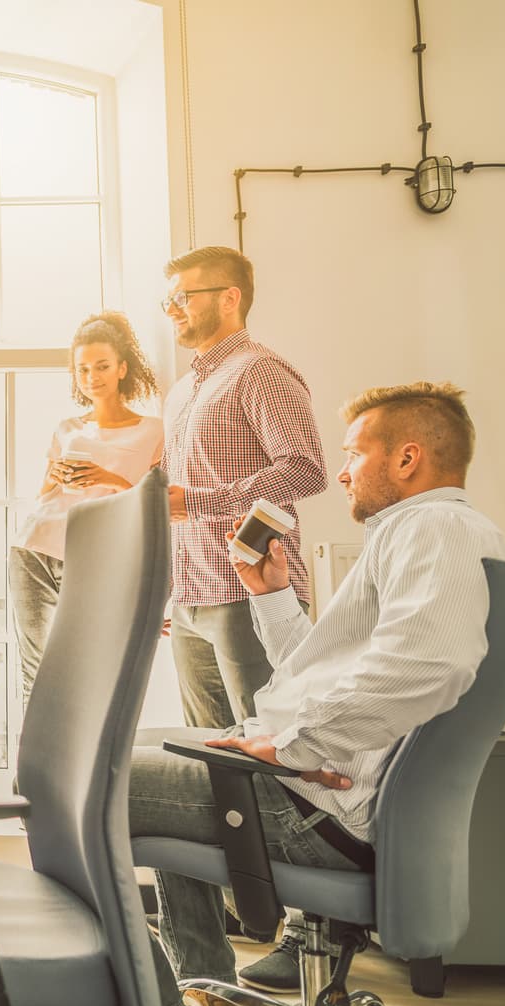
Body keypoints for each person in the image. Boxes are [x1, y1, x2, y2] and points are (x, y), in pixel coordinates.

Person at [132, 382, 505, 1006]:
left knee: (97, 784)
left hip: (315, 808)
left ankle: (158, 993)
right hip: (317, 789)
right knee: (153, 743)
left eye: (355, 453)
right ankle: (202, 985)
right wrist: (272, 593)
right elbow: (323, 675)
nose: (339, 472)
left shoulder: (435, 527)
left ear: (406, 458)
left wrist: (293, 745)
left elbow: (430, 664)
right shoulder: (420, 531)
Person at [160, 246, 327, 731]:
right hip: (189, 604)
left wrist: (198, 503)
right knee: (208, 753)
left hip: (250, 596)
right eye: (167, 301)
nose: (172, 309)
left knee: (271, 748)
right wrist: (171, 591)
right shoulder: (180, 392)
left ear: (229, 297)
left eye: (182, 297)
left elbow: (305, 469)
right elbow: (173, 503)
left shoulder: (262, 373)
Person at [10, 312, 162, 708]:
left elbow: (155, 503)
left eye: (102, 367)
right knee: (38, 673)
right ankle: (34, 772)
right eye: (83, 369)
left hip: (98, 554)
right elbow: (45, 493)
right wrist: (58, 474)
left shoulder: (153, 430)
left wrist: (103, 475)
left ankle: (85, 768)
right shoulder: (67, 427)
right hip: (36, 547)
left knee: (95, 671)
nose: (92, 377)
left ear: (122, 368)